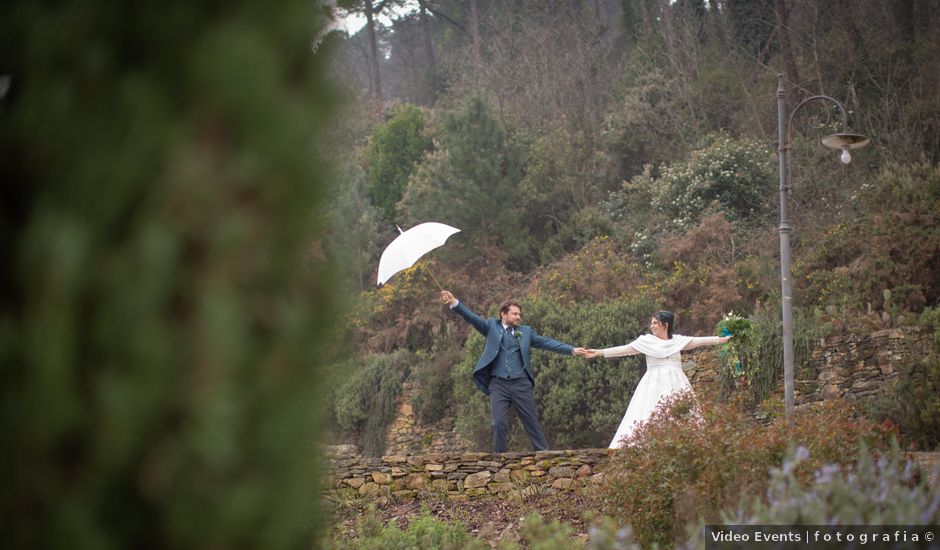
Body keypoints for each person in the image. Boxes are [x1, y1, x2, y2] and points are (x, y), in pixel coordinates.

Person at [441, 289, 587, 453]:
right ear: (503, 314)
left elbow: (546, 342)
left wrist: (572, 350)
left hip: (521, 382)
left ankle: (544, 454)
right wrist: (455, 302)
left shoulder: (525, 332)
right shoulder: (491, 326)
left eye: (519, 314)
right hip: (498, 383)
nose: (518, 317)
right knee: (499, 423)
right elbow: (472, 318)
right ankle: (500, 458)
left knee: (530, 420)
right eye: (515, 314)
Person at [586, 311, 730, 449]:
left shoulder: (678, 341)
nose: (651, 326)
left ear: (665, 325)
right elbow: (625, 349)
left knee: (681, 414)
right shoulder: (646, 341)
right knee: (647, 413)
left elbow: (700, 341)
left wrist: (722, 340)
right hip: (652, 384)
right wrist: (599, 352)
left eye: (655, 323)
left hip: (676, 383)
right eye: (652, 323)